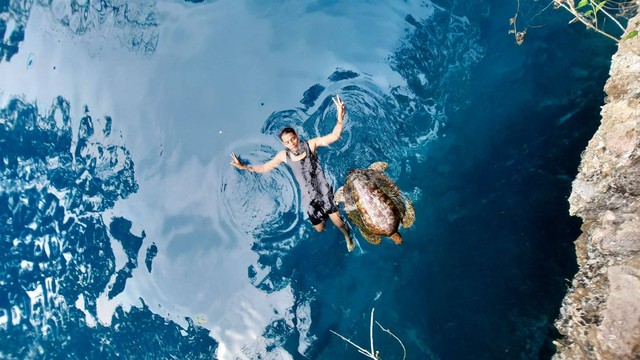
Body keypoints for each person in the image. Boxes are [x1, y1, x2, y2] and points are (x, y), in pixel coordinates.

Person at [230, 95, 355, 252]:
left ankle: (347, 236)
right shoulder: (284, 155)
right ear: (284, 144)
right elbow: (264, 168)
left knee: (339, 224)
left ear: (297, 136)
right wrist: (243, 167)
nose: (292, 144)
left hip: (323, 190)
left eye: (293, 139)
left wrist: (339, 118)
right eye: (287, 142)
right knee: (320, 228)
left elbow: (334, 136)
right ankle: (330, 215)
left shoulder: (311, 144)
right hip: (309, 198)